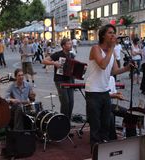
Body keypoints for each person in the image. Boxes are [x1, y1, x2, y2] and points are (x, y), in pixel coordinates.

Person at [84, 24, 132, 152]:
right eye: (110, 33)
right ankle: (95, 151)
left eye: (114, 33)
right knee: (96, 125)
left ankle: (104, 150)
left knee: (106, 123)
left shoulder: (112, 52)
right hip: (93, 91)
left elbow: (114, 71)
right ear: (103, 35)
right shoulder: (95, 49)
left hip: (105, 91)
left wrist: (127, 68)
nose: (113, 35)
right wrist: (112, 48)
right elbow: (103, 65)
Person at [42, 38, 75, 120]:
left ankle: (68, 120)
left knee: (71, 102)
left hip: (70, 80)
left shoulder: (72, 55)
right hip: (60, 80)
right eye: (69, 44)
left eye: (71, 43)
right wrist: (54, 63)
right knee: (65, 102)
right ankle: (63, 121)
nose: (71, 45)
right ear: (63, 46)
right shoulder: (58, 54)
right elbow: (44, 61)